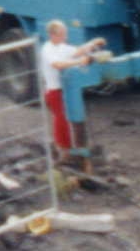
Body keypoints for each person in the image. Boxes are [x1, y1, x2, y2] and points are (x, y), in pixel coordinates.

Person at [37, 19, 108, 158]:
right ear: (53, 35)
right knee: (61, 119)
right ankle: (64, 150)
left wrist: (93, 43)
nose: (65, 37)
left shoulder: (62, 46)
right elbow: (57, 64)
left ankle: (72, 147)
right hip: (54, 89)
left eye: (65, 34)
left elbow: (77, 51)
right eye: (62, 34)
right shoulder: (47, 49)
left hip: (66, 87)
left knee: (70, 116)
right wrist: (80, 61)